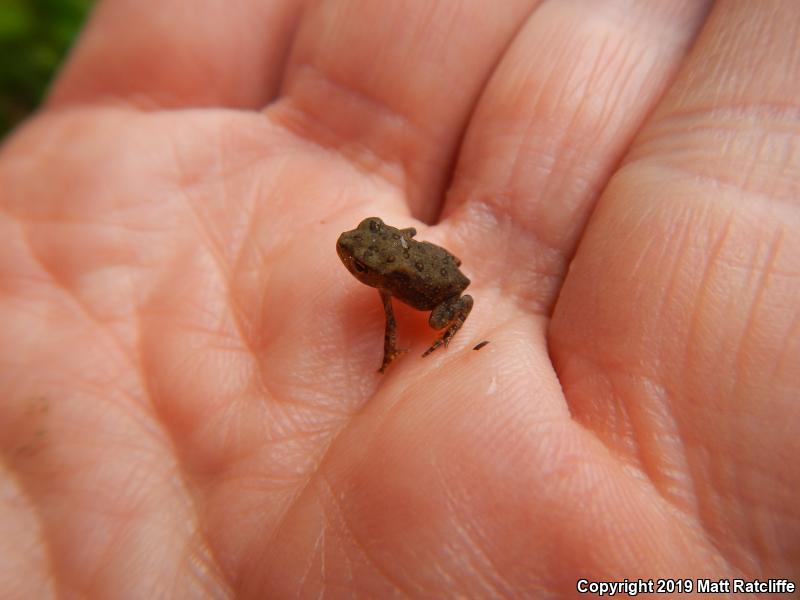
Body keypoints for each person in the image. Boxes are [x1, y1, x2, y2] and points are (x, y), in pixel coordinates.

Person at [0, 1, 797, 596]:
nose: (356, 262)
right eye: (362, 254)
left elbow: (409, 310)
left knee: (451, 303)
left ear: (379, 273)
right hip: (432, 262)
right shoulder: (383, 277)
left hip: (443, 282)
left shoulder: (394, 292)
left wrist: (427, 339)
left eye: (362, 257)